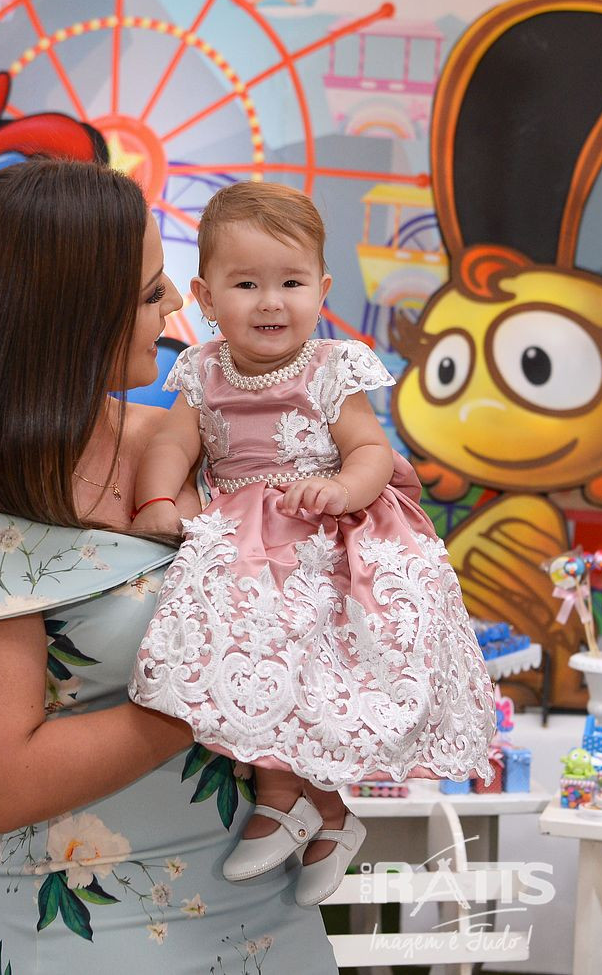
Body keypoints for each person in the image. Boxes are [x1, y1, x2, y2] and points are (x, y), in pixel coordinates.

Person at [0, 159, 339, 972]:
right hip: (97, 935)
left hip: (270, 901)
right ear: (69, 314)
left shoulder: (188, 445)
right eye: (150, 293)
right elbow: (2, 784)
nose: (173, 312)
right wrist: (220, 690)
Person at [128, 181, 496, 907]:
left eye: (291, 283)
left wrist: (342, 489)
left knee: (321, 674)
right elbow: (172, 444)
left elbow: (371, 451)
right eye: (246, 284)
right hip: (248, 546)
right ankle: (305, 809)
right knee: (258, 666)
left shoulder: (331, 368)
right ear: (205, 297)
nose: (271, 302)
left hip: (325, 541)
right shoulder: (202, 371)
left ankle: (308, 806)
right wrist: (157, 500)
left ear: (322, 290)